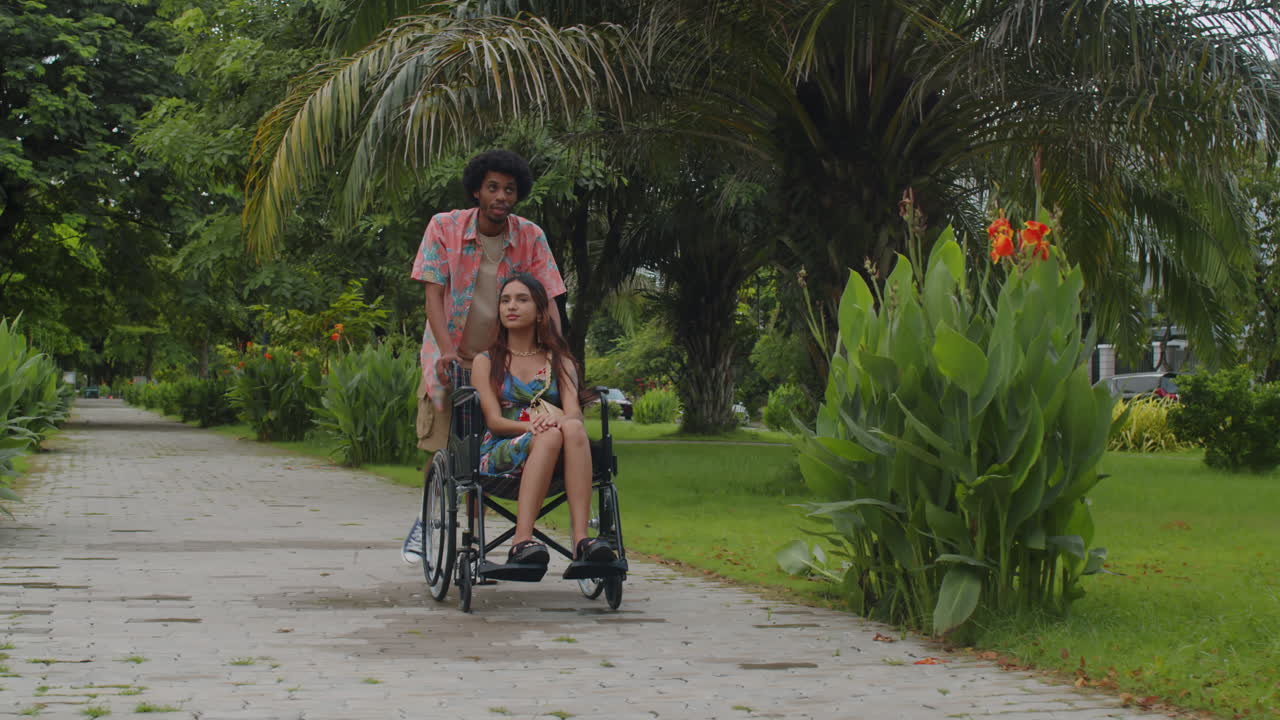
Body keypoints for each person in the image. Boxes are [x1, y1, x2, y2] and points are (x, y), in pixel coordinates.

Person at [402, 150, 567, 563]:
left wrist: (558, 357)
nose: (501, 196)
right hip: (452, 356)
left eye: (510, 190)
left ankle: (473, 543)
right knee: (446, 449)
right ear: (477, 189)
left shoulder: (530, 236)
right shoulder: (444, 227)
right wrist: (445, 351)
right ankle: (430, 524)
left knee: (480, 455)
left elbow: (549, 302)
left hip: (507, 362)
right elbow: (433, 295)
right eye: (493, 187)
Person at [473, 274, 615, 566]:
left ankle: (582, 541)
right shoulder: (485, 361)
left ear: (540, 312)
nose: (511, 306)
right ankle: (521, 541)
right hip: (502, 451)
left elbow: (572, 409)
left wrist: (560, 423)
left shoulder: (559, 360)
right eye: (505, 300)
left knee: (573, 426)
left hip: (557, 450)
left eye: (522, 299)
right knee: (549, 435)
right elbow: (494, 422)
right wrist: (533, 427)